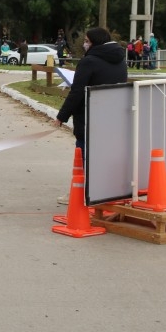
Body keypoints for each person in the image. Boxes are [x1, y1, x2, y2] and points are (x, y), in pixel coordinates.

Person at [53, 27, 127, 204]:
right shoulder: (120, 60)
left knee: (84, 156)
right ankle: (106, 192)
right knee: (106, 156)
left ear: (94, 42)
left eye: (87, 41)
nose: (85, 44)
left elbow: (77, 92)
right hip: (113, 117)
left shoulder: (89, 62)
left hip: (89, 118)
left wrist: (61, 116)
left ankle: (81, 193)